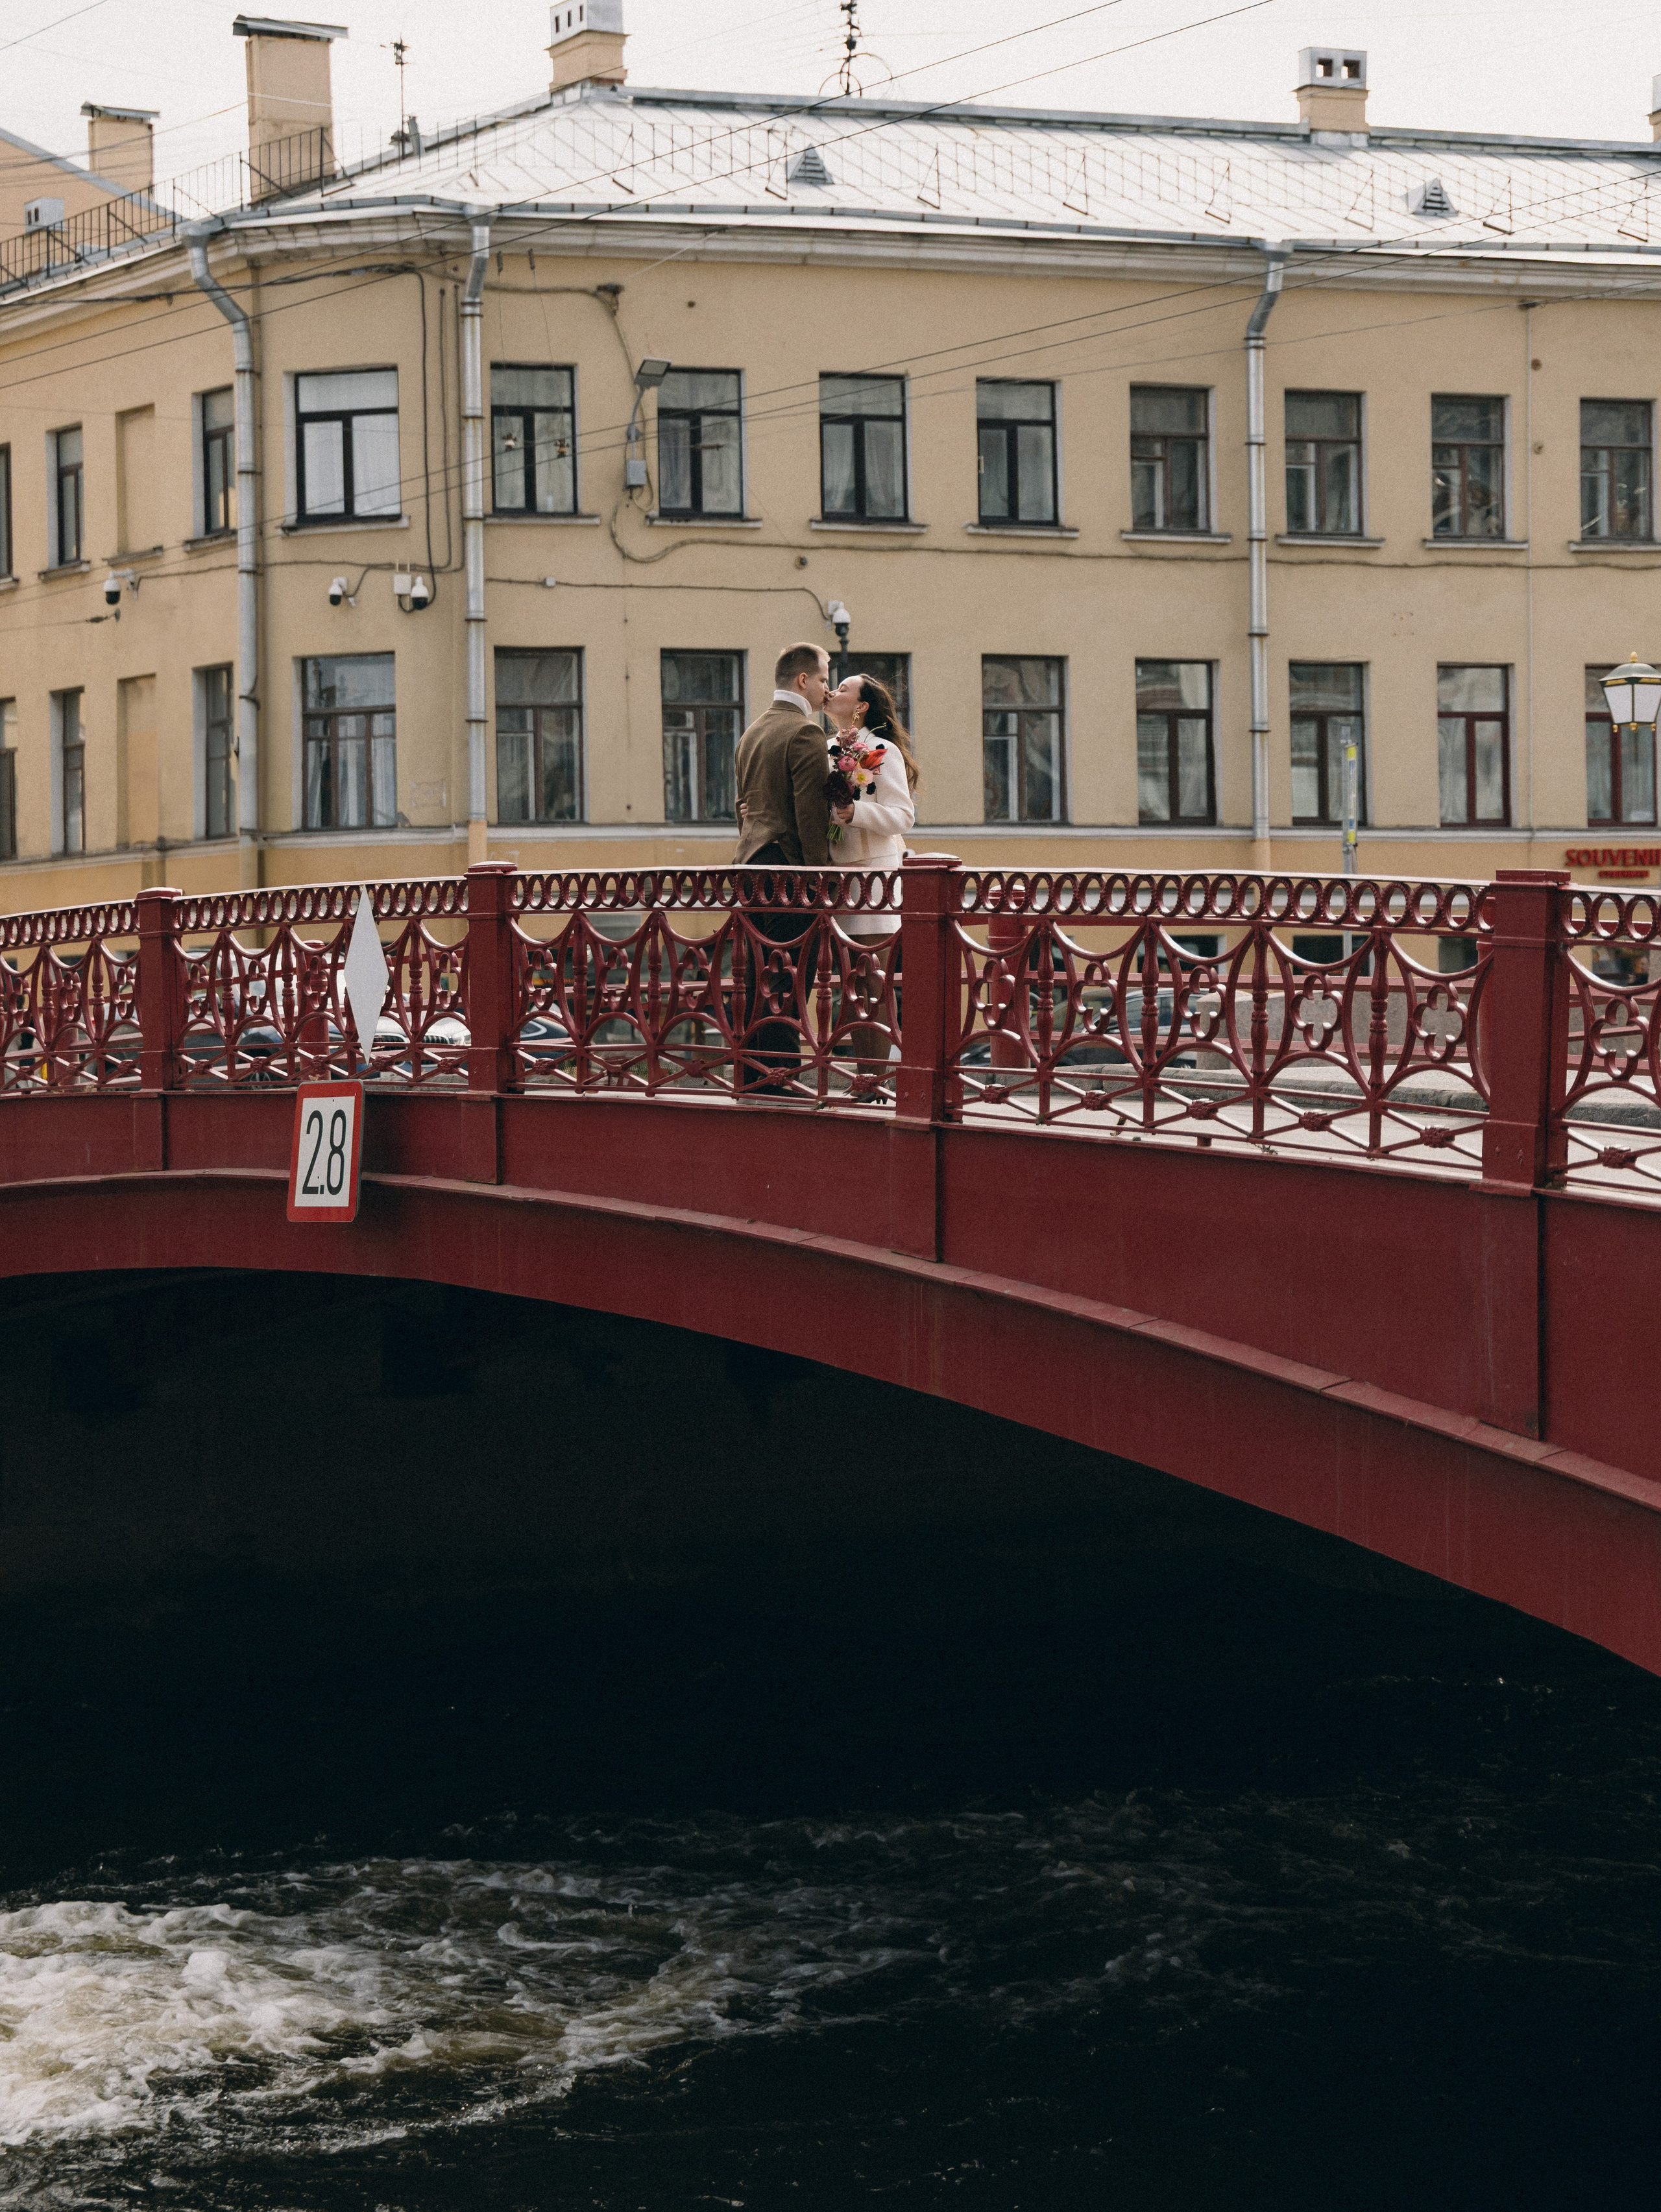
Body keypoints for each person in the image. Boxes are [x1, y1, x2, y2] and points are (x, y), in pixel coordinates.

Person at [731, 642, 834, 1090]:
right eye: (825, 678)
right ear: (803, 680)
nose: (827, 689)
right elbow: (810, 816)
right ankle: (781, 1076)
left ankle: (754, 1073)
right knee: (789, 975)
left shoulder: (751, 732)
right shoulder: (804, 733)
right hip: (790, 872)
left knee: (759, 976)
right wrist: (822, 881)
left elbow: (745, 807)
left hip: (749, 865)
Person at [824, 670, 919, 1081]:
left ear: (861, 706)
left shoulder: (880, 751)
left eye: (843, 688)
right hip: (837, 878)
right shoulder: (825, 748)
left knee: (871, 981)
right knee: (849, 982)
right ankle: (861, 1076)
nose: (832, 690)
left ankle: (876, 1076)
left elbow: (904, 816)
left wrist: (855, 813)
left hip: (873, 879)